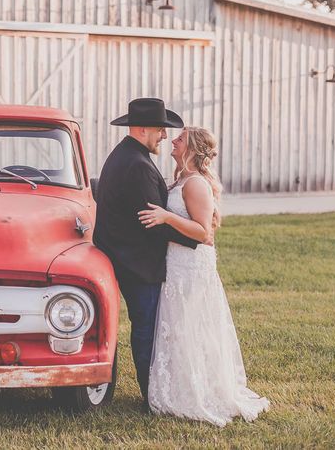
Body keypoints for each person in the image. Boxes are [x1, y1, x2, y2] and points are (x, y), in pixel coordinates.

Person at [139, 126, 269, 426]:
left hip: (191, 265)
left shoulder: (196, 183)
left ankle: (200, 390)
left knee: (193, 325)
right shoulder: (181, 179)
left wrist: (166, 216)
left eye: (180, 138)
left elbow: (204, 232)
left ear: (192, 148)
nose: (173, 140)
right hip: (177, 262)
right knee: (180, 324)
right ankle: (182, 385)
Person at [93, 98, 203, 409]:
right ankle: (151, 395)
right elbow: (151, 222)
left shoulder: (127, 155)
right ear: (143, 129)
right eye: (161, 130)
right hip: (137, 263)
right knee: (148, 330)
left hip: (127, 256)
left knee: (149, 328)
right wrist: (197, 236)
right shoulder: (137, 164)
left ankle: (152, 390)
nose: (165, 136)